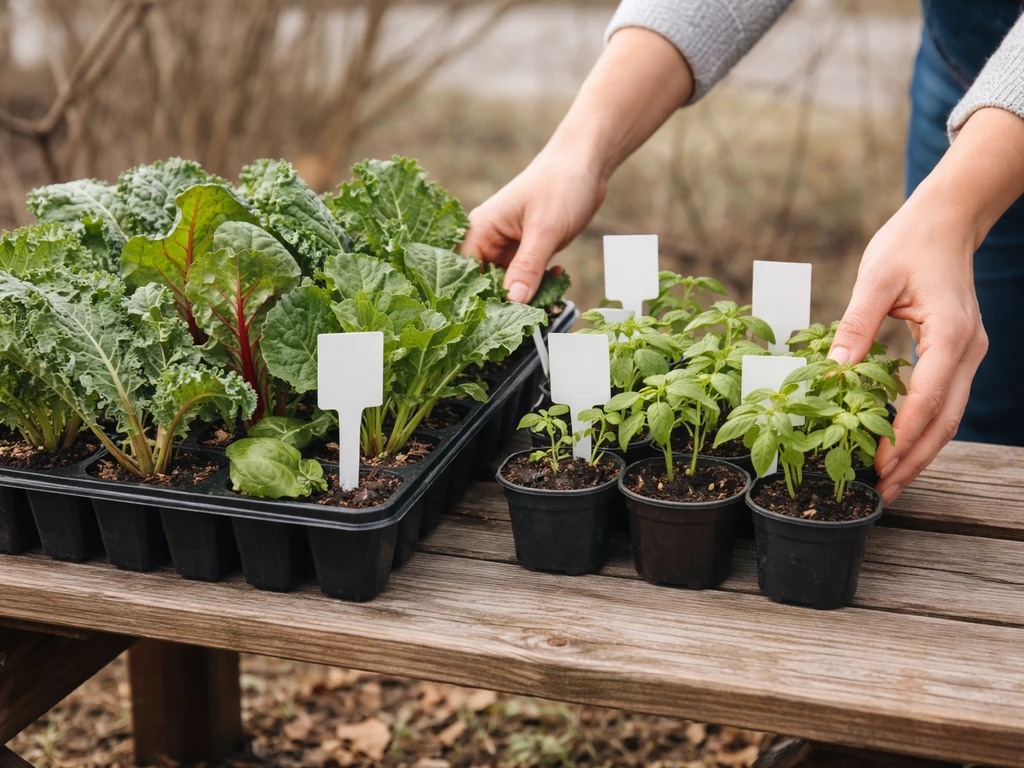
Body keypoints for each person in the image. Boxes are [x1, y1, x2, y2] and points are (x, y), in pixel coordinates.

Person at [461, 0, 1024, 504]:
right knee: (962, 403)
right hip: (964, 61)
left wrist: (954, 209)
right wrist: (580, 150)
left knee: (971, 393)